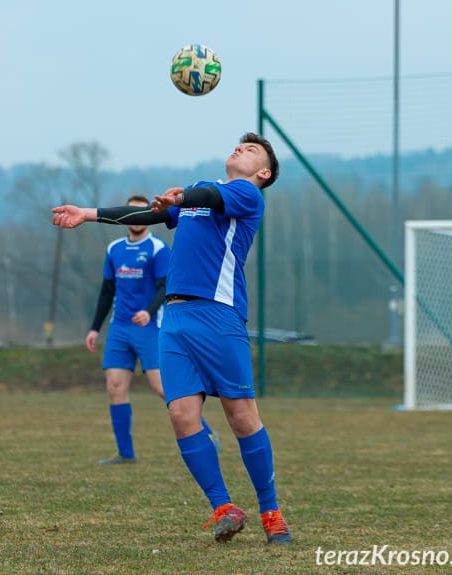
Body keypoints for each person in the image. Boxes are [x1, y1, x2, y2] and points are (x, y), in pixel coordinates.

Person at [52, 133, 292, 545]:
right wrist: (88, 214)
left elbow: (210, 198)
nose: (240, 149)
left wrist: (184, 197)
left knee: (241, 416)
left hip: (218, 315)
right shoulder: (204, 193)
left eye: (250, 150)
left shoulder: (247, 195)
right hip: (175, 319)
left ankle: (271, 513)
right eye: (239, 145)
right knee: (182, 416)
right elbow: (147, 216)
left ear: (263, 172)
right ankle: (224, 507)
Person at [87, 194, 220, 465]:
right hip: (119, 328)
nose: (136, 218)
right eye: (131, 213)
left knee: (163, 389)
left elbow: (164, 287)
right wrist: (94, 328)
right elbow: (107, 291)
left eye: (141, 212)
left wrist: (148, 311)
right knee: (114, 387)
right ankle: (125, 453)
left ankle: (205, 433)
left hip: (149, 328)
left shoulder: (158, 248)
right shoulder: (114, 249)